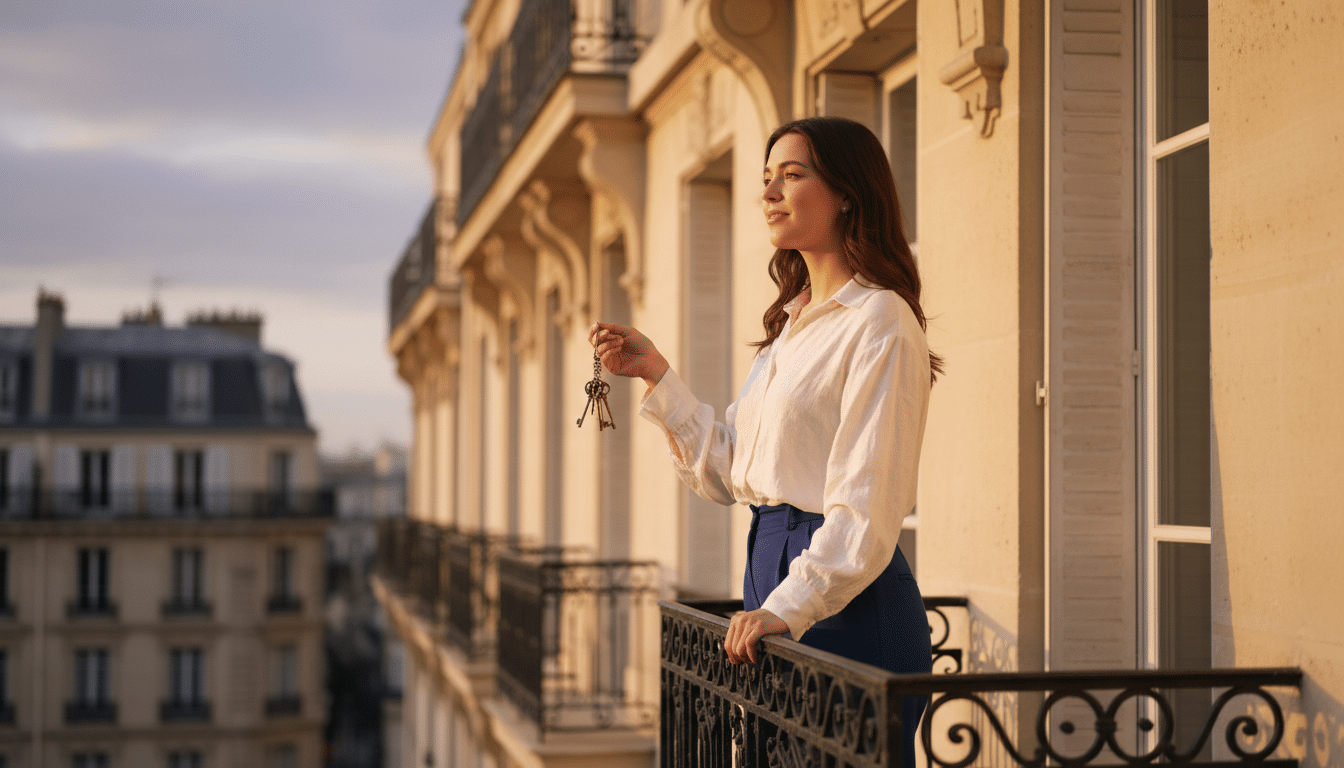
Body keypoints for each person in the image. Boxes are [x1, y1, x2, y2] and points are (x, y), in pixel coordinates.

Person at [590, 116, 941, 765]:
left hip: (848, 609)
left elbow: (867, 510)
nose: (770, 193)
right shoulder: (790, 324)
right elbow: (732, 472)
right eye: (765, 180)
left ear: (846, 193)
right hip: (773, 585)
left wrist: (788, 606)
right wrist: (657, 375)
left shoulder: (881, 320)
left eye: (792, 175)